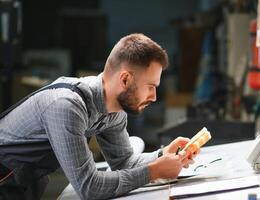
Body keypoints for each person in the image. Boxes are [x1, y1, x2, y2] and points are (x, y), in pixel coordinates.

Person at [0, 33, 196, 199]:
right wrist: (154, 171)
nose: (153, 97)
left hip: (26, 180)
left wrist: (164, 155)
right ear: (125, 79)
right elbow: (88, 186)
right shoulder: (66, 106)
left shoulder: (114, 113)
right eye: (150, 87)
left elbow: (124, 162)